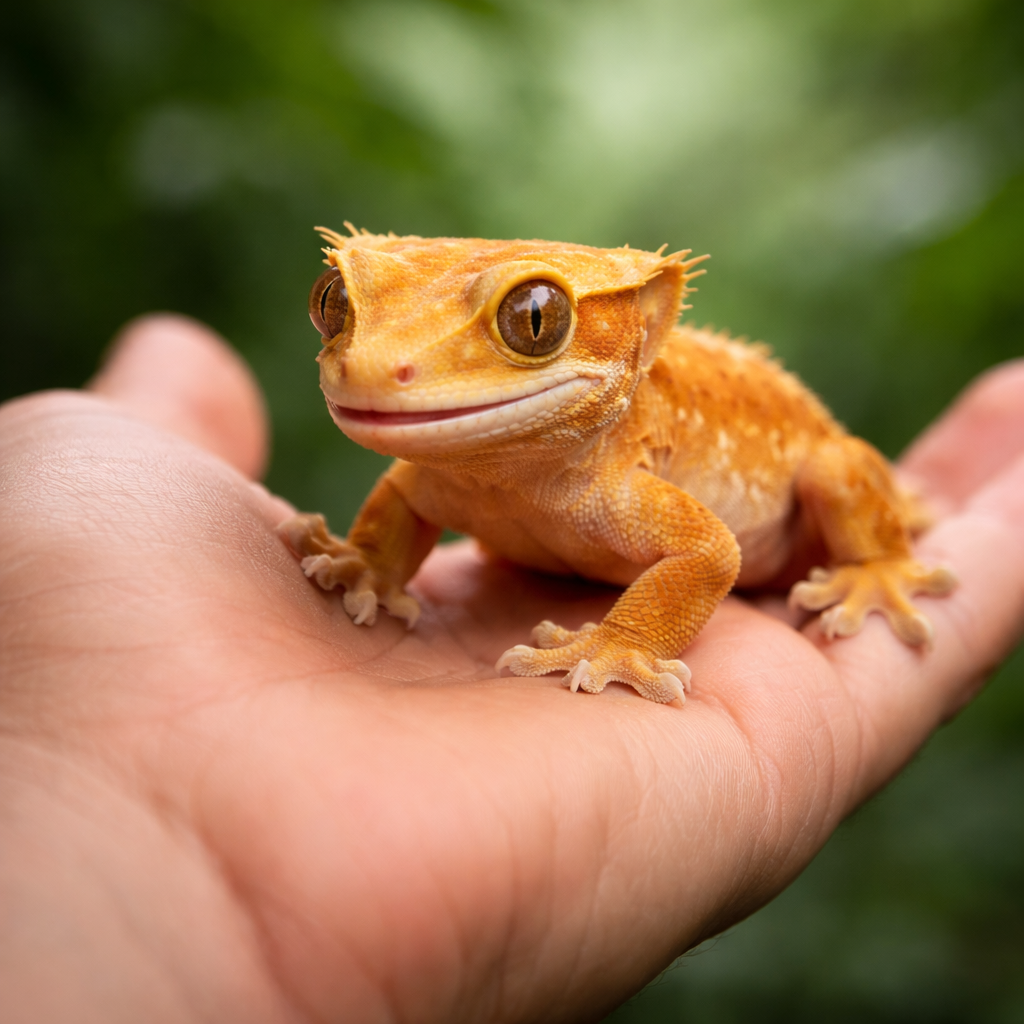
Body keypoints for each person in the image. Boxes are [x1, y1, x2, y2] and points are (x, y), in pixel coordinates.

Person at [1, 312, 1021, 1023]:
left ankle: (881, 546)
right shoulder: (453, 464)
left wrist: (632, 641)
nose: (378, 368)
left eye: (526, 325)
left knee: (843, 471)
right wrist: (370, 562)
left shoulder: (615, 478)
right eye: (342, 314)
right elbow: (412, 492)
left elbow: (707, 553)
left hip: (805, 506)